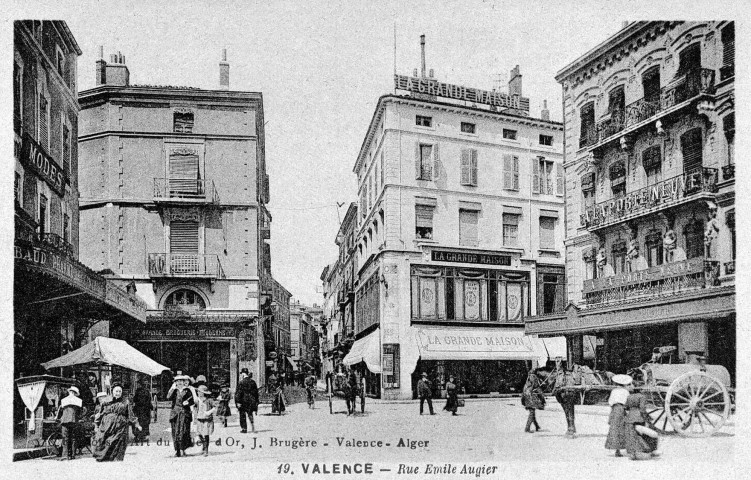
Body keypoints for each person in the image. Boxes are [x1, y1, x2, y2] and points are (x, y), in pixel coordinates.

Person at [92, 383, 141, 461]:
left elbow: (130, 414)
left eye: (119, 391)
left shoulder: (125, 401)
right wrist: (96, 425)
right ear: (112, 391)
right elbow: (100, 414)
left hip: (120, 426)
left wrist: (137, 424)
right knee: (104, 441)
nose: (118, 393)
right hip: (107, 425)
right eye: (116, 391)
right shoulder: (106, 401)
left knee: (119, 442)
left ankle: (116, 460)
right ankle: (104, 457)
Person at [624, 381, 659, 460]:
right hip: (639, 418)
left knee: (632, 435)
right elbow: (642, 409)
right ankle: (649, 450)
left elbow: (626, 407)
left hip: (630, 418)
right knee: (644, 434)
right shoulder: (642, 397)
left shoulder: (629, 396)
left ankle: (633, 452)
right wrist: (647, 418)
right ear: (641, 389)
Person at [167, 374, 197, 457]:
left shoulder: (187, 390)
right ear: (175, 382)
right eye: (177, 381)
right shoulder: (174, 391)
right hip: (175, 414)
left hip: (185, 413)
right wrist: (172, 388)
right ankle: (177, 451)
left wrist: (188, 403)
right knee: (175, 432)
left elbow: (193, 401)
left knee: (184, 432)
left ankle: (183, 449)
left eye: (181, 381)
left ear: (184, 382)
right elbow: (168, 397)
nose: (179, 382)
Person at [605, 374, 630, 457]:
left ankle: (617, 450)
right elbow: (627, 402)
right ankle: (625, 448)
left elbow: (610, 402)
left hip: (614, 409)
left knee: (614, 428)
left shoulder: (614, 391)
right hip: (621, 409)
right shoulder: (626, 391)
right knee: (622, 429)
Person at [56, 386, 82, 460]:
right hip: (73, 421)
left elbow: (60, 411)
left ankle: (65, 455)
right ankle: (72, 454)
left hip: (65, 421)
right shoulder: (78, 401)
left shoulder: (64, 400)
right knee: (72, 438)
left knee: (66, 438)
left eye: (72, 392)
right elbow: (80, 411)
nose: (71, 393)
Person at [195, 385, 217, 457]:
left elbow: (215, 407)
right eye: (198, 391)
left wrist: (209, 412)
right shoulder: (197, 400)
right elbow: (194, 408)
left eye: (200, 392)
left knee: (206, 434)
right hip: (199, 418)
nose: (198, 393)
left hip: (207, 419)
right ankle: (204, 446)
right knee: (199, 433)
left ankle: (206, 450)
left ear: (203, 392)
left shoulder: (209, 400)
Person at [235, 368, 259, 433]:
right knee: (250, 413)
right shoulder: (253, 382)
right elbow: (256, 393)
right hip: (251, 400)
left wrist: (237, 402)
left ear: (243, 374)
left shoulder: (241, 382)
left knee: (242, 415)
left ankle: (244, 429)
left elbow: (238, 393)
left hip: (243, 401)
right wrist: (256, 401)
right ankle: (252, 426)